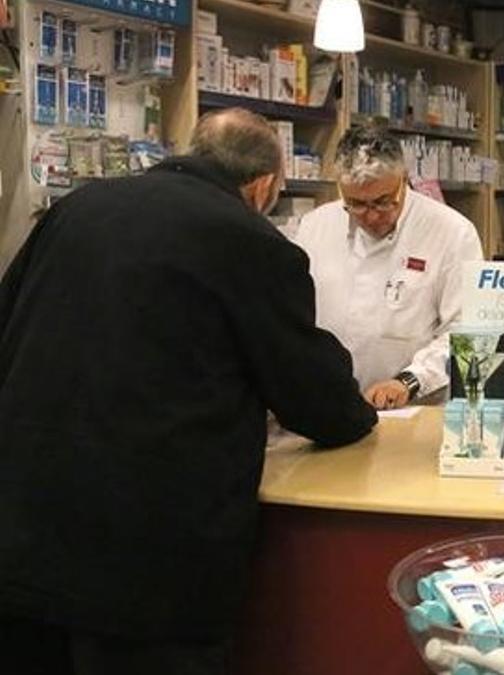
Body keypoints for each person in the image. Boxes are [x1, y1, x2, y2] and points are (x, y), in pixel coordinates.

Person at [0, 108, 377, 673]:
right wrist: (358, 413)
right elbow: (316, 398)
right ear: (265, 185)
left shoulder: (77, 208)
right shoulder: (250, 241)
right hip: (147, 565)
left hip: (26, 539)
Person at [295, 123, 483, 410]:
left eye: (383, 202)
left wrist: (408, 381)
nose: (370, 216)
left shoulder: (452, 232)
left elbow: (466, 330)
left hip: (412, 408)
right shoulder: (314, 226)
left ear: (404, 179)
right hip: (329, 405)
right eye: (356, 204)